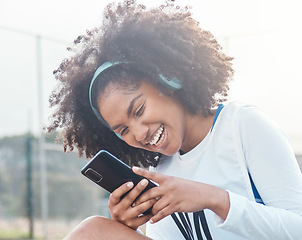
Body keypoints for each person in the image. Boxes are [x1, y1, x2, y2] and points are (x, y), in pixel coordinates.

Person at [47, 1, 302, 239]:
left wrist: (216, 199)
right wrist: (125, 226)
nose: (138, 133)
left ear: (167, 79)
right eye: (123, 129)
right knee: (95, 231)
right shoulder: (160, 170)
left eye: (138, 110)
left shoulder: (243, 125)